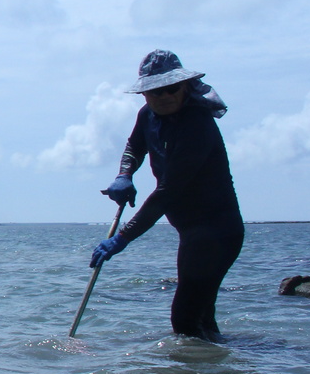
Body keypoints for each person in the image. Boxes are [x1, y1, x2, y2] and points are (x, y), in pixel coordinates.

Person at [89, 50, 243, 341]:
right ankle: (217, 373)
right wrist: (125, 174)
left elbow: (167, 193)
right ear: (144, 94)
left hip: (218, 233)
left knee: (184, 319)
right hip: (192, 233)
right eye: (153, 92)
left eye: (171, 89)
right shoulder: (147, 115)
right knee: (201, 318)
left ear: (184, 86)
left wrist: (122, 238)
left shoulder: (197, 124)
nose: (163, 97)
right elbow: (134, 147)